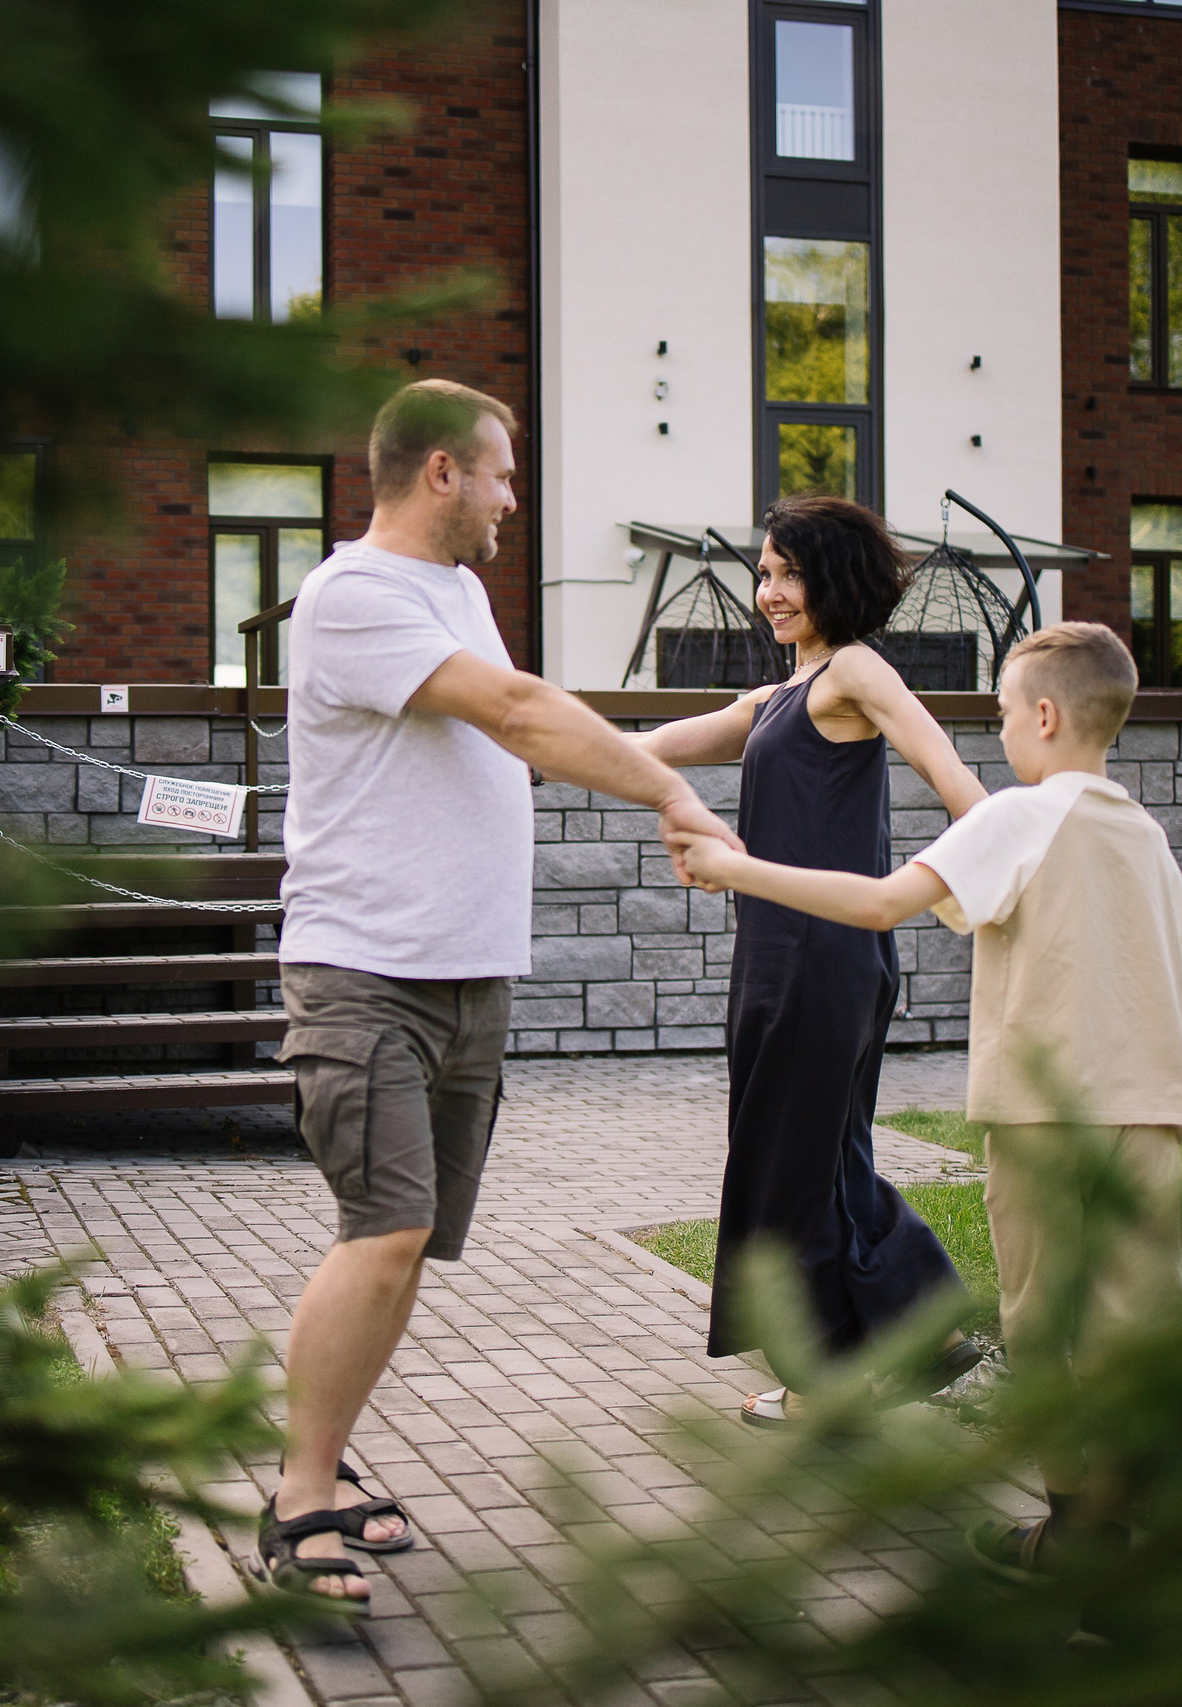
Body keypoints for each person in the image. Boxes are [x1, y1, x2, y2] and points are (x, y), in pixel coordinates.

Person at [263, 379, 741, 1606]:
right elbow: (520, 715)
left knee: (404, 1244)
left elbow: (514, 727)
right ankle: (298, 1496)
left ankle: (321, 1455)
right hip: (367, 971)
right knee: (387, 1228)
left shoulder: (460, 592)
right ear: (440, 474)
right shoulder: (355, 593)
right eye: (502, 476)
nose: (511, 502)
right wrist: (668, 794)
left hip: (468, 974)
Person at [670, 621, 1182, 1571]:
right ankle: (1141, 1540)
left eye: (1002, 714)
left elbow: (880, 903)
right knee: (1140, 1328)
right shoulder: (1143, 829)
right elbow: (1177, 960)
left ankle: (1075, 1533)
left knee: (1041, 1325)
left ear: (1043, 716)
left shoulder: (1019, 814)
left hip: (1045, 1117)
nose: (999, 734)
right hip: (1156, 1111)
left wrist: (734, 867)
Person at [632, 495, 989, 1425]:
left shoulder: (857, 672)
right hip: (787, 953)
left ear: (832, 580)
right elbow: (653, 747)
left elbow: (954, 778)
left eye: (789, 573)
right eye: (764, 573)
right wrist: (532, 752)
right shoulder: (785, 692)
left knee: (790, 1166)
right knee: (823, 1157)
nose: (770, 591)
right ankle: (917, 1323)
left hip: (818, 955)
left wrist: (1011, 859)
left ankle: (828, 1381)